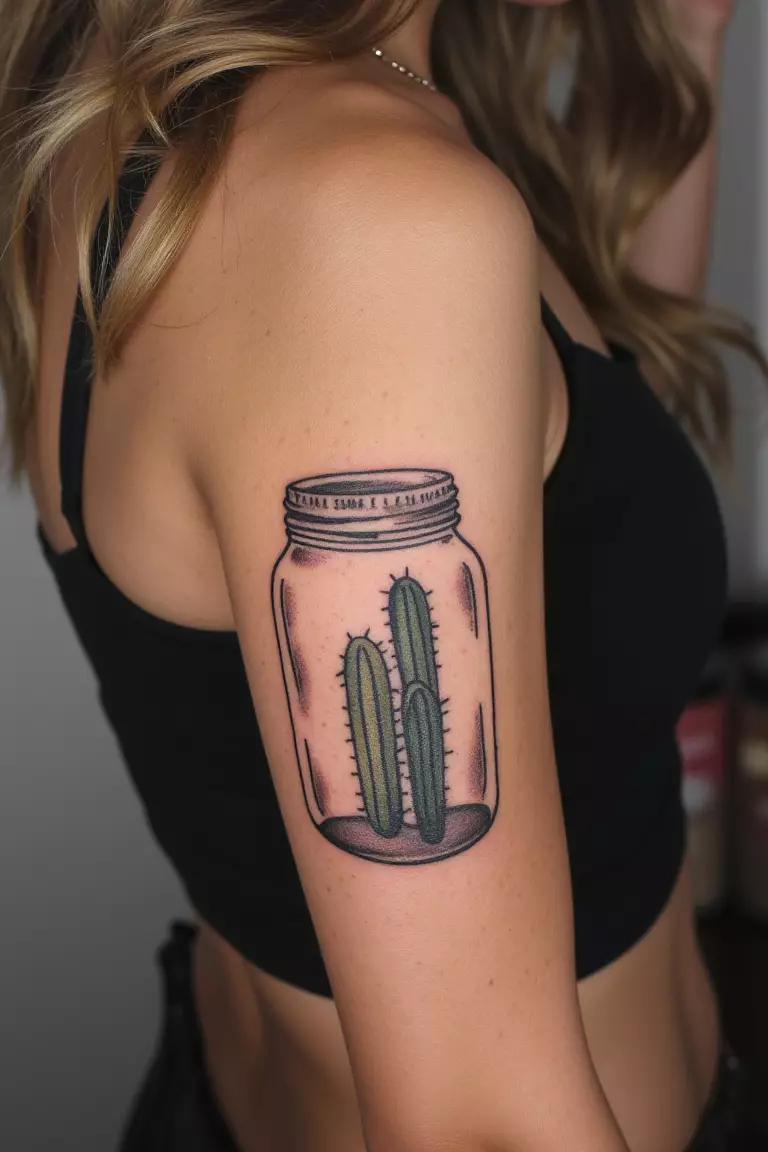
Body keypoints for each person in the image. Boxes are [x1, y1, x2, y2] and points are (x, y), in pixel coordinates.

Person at [1, 0, 765, 1149]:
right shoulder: (370, 215)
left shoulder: (168, 119)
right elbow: (477, 1126)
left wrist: (689, 40)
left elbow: (587, 452)